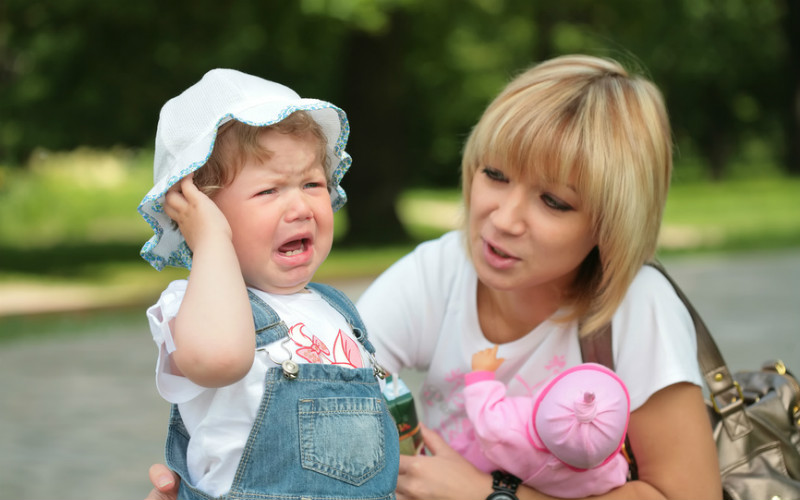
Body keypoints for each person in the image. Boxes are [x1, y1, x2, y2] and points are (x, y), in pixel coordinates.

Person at [147, 54, 722, 500]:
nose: (503, 217)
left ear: (611, 222)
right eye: (495, 174)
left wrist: (493, 494)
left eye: (553, 200)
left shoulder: (635, 306)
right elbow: (306, 387)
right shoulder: (445, 268)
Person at [138, 68, 398, 500]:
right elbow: (222, 359)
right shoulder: (191, 305)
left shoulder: (336, 309)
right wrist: (212, 242)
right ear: (198, 217)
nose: (301, 207)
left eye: (313, 183)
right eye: (269, 191)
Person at [464, 346, 630, 497]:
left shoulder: (507, 427)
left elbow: (483, 410)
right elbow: (619, 474)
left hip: (468, 466)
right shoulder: (599, 474)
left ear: (545, 395)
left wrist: (482, 373)